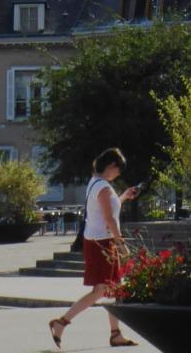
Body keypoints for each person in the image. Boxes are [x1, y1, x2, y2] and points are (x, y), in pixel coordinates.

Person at [50, 148, 141, 349]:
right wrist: (121, 245)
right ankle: (61, 322)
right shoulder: (104, 188)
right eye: (118, 170)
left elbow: (107, 209)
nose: (119, 174)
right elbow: (110, 219)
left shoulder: (95, 183)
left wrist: (124, 196)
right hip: (103, 243)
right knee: (101, 290)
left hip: (97, 241)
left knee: (115, 288)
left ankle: (115, 334)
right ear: (111, 166)